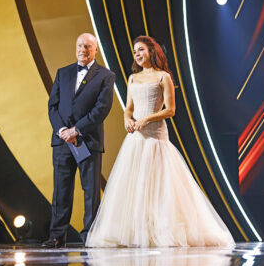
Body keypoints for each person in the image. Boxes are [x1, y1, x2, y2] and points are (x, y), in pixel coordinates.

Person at [86, 36, 235, 247]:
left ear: (151, 52)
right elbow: (129, 107)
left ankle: (161, 229)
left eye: (141, 50)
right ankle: (137, 231)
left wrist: (147, 117)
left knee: (159, 185)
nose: (137, 54)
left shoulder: (163, 76)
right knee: (136, 185)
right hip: (136, 139)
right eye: (135, 51)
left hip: (156, 137)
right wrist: (127, 118)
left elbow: (171, 110)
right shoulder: (132, 78)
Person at [43, 33, 115, 248]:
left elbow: (101, 109)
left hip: (88, 141)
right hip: (63, 142)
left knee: (91, 193)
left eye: (87, 46)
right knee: (61, 191)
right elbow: (52, 106)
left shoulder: (105, 76)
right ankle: (57, 236)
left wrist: (77, 130)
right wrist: (63, 130)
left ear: (95, 50)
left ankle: (89, 238)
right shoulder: (62, 73)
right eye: (80, 46)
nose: (83, 50)